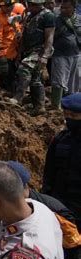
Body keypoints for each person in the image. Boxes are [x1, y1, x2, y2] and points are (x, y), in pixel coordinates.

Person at [9, 0, 55, 115]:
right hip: (29, 50)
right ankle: (39, 106)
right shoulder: (29, 16)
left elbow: (49, 37)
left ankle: (18, 97)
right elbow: (25, 35)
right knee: (35, 79)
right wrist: (20, 52)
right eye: (31, 5)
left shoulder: (48, 16)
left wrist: (45, 56)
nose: (32, 7)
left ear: (41, 5)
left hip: (40, 50)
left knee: (24, 69)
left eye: (34, 5)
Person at [43, 93, 81, 230]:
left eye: (75, 116)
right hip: (61, 201)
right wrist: (47, 195)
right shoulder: (61, 139)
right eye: (67, 115)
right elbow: (50, 170)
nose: (69, 119)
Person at [50, 0, 80, 109]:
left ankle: (72, 105)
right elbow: (50, 35)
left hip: (76, 53)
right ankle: (56, 106)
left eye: (66, 8)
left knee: (74, 81)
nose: (63, 10)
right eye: (62, 7)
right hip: (60, 54)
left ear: (73, 8)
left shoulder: (78, 19)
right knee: (59, 80)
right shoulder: (56, 19)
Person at [0, 0, 25, 94]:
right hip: (3, 55)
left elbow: (18, 31)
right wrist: (2, 58)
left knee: (13, 77)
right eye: (7, 6)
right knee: (5, 77)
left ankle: (12, 93)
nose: (9, 7)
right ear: (2, 6)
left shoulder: (14, 16)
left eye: (11, 5)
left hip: (13, 52)